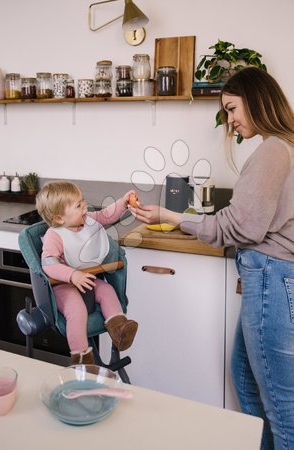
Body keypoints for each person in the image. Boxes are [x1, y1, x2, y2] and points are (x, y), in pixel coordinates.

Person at [129, 67, 294, 449]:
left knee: (283, 411)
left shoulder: (273, 150)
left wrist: (171, 217)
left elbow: (240, 228)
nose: (230, 122)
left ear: (256, 100)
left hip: (271, 279)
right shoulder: (285, 145)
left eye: (233, 109)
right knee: (246, 377)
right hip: (274, 279)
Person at [36, 180, 138, 365]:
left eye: (82, 201)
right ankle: (82, 358)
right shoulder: (54, 235)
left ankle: (119, 328)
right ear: (59, 218)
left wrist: (123, 203)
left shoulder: (88, 220)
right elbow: (48, 265)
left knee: (107, 290)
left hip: (87, 278)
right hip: (63, 286)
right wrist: (73, 275)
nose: (85, 206)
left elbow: (106, 215)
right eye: (78, 205)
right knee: (76, 310)